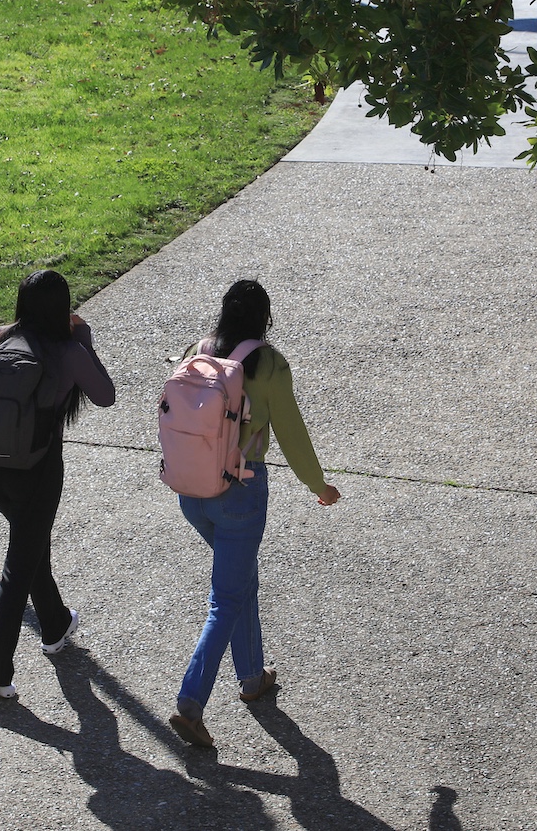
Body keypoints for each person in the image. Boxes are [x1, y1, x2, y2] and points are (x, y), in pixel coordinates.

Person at [168, 279, 341, 747]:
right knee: (225, 597)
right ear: (264, 319)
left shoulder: (195, 351)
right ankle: (190, 701)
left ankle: (252, 677)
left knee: (240, 580)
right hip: (240, 493)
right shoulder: (267, 363)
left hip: (190, 491)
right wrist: (317, 485)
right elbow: (291, 433)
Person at [0, 270, 115, 699]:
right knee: (20, 565)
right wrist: (83, 338)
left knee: (31, 546)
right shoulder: (66, 349)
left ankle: (54, 623)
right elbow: (104, 394)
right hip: (39, 468)